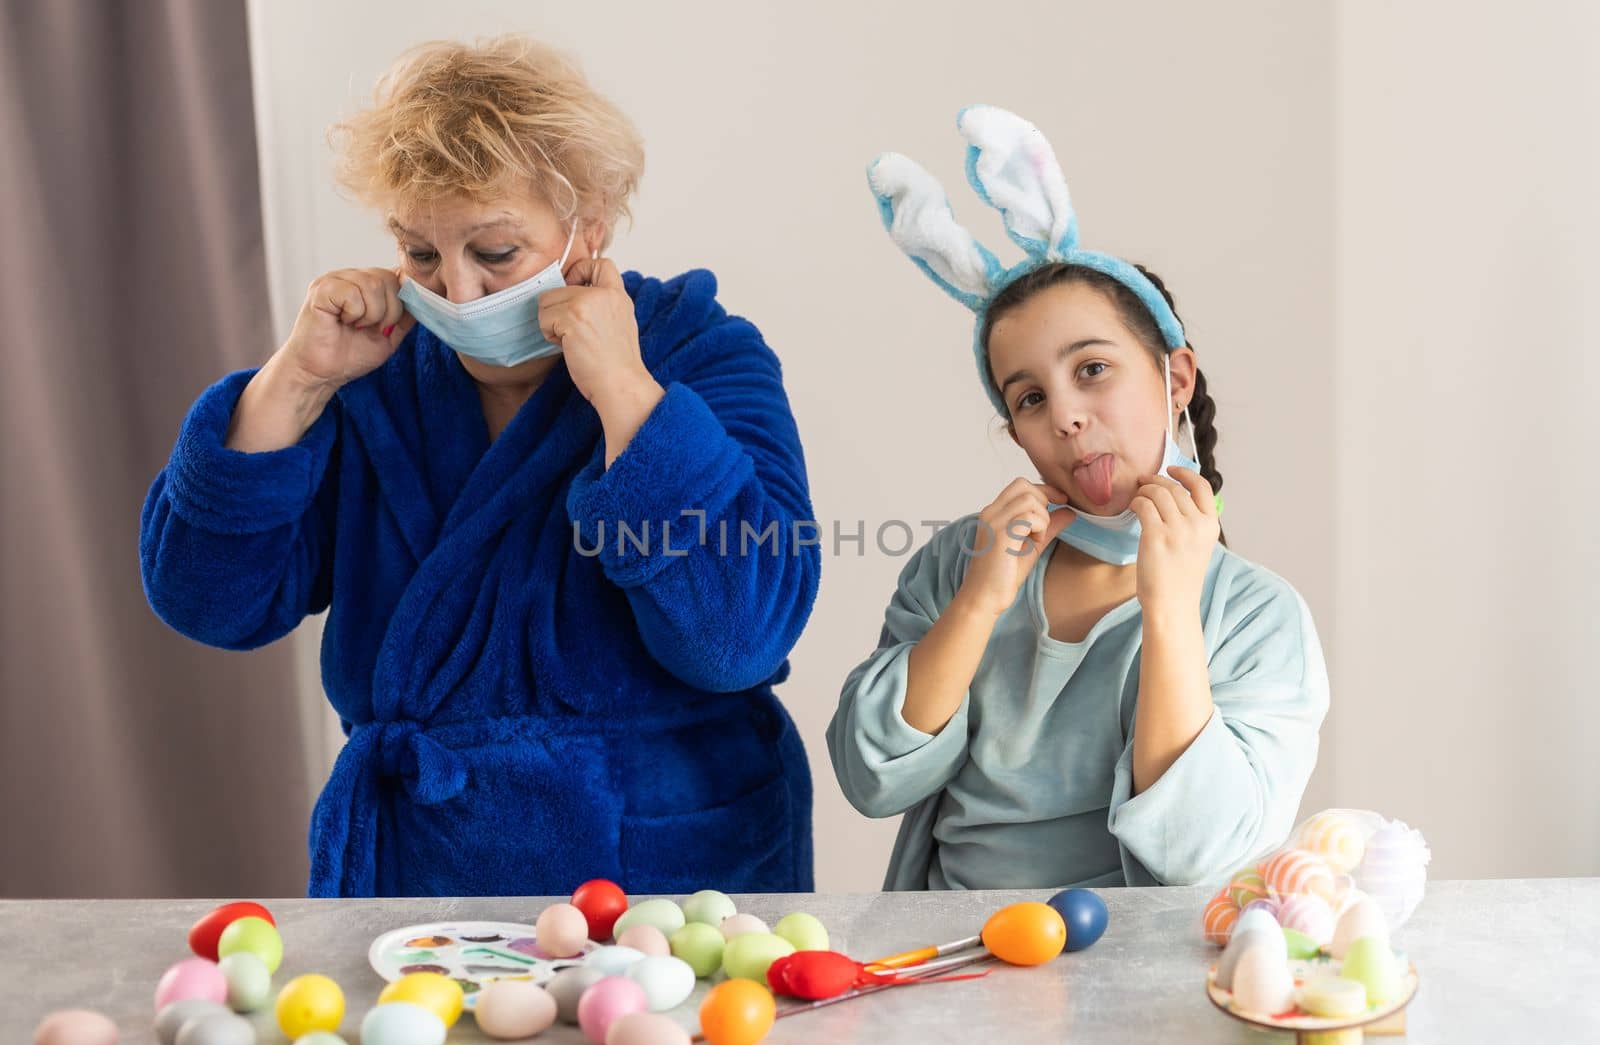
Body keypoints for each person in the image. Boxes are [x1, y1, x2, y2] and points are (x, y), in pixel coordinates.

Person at [140, 36, 819, 896]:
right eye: (420, 254)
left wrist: (627, 396)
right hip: (421, 877)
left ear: (589, 227)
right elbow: (210, 604)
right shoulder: (371, 373)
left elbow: (740, 638)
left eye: (494, 252)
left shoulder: (701, 354)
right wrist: (295, 383)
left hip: (664, 882)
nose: (455, 293)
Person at [830, 106, 1328, 890]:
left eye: (1092, 369)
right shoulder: (963, 560)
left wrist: (1169, 610)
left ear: (1175, 379)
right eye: (1027, 397)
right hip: (949, 974)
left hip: (1137, 987)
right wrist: (977, 603)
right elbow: (870, 779)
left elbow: (1203, 855)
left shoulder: (1260, 616)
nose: (1063, 414)